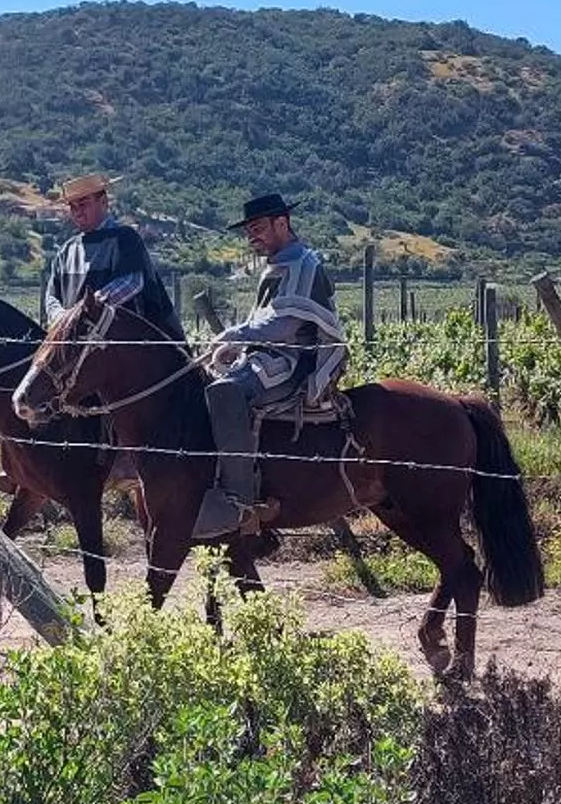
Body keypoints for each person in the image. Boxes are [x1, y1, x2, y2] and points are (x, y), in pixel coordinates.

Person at [194, 192, 346, 540]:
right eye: (249, 231)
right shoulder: (278, 265)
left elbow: (285, 326)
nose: (252, 237)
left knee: (226, 393)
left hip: (297, 362)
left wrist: (233, 334)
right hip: (269, 356)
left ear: (283, 222)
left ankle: (240, 503)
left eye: (259, 228)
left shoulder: (305, 265)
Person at [40, 174, 183, 342]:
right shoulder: (66, 251)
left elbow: (131, 282)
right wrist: (62, 318)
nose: (77, 212)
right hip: (76, 347)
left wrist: (87, 313)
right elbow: (51, 297)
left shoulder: (124, 238)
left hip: (129, 349)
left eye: (83, 204)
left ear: (103, 203)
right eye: (73, 207)